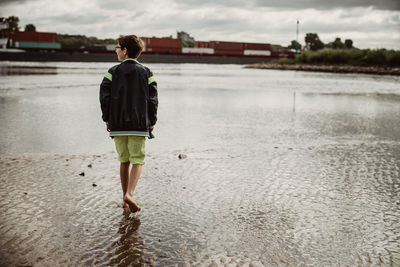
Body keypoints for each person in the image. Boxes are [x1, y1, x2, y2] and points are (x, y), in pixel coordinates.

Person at [100, 35, 158, 213]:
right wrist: (152, 121)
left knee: (123, 160)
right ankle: (130, 194)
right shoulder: (147, 72)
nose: (116, 50)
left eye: (118, 47)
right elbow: (153, 100)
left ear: (125, 51)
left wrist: (107, 119)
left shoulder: (112, 71)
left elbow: (104, 98)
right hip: (139, 125)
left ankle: (124, 197)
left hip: (117, 124)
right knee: (138, 160)